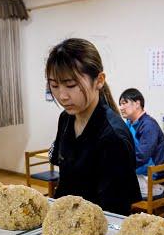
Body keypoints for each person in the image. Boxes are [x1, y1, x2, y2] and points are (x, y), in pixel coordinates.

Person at [47, 38, 141, 215]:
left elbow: (115, 210)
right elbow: (65, 182)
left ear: (99, 80)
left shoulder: (113, 136)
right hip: (68, 220)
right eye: (54, 86)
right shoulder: (66, 119)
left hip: (98, 231)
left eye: (70, 85)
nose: (62, 96)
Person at [119, 88, 164, 199]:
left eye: (124, 103)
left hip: (153, 182)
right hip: (139, 175)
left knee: (113, 186)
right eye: (120, 104)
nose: (121, 107)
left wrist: (120, 165)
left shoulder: (148, 125)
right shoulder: (130, 124)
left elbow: (141, 157)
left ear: (137, 103)